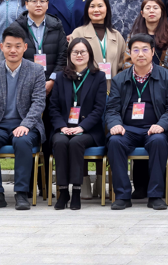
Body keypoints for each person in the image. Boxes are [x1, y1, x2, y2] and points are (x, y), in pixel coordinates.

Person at [105, 34, 168, 210]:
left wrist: (162, 125)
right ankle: (122, 196)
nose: (141, 54)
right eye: (136, 50)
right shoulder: (119, 79)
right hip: (127, 130)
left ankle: (155, 195)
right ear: (129, 53)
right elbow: (112, 109)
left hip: (155, 129)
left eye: (145, 49)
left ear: (153, 52)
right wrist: (115, 124)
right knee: (115, 141)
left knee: (159, 141)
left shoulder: (167, 77)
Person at [0, 23, 47, 210]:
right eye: (8, 46)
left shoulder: (36, 71)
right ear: (2, 47)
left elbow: (38, 103)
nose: (13, 50)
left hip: (26, 124)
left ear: (25, 47)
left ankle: (22, 193)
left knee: (22, 141)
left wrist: (25, 125)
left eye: (17, 46)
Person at [46, 38, 107, 210]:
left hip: (88, 130)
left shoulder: (99, 77)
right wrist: (62, 127)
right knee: (59, 142)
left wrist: (82, 127)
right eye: (75, 52)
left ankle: (76, 192)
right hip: (64, 127)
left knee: (76, 142)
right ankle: (63, 190)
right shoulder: (60, 77)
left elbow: (99, 109)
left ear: (89, 54)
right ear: (69, 55)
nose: (79, 55)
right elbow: (53, 107)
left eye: (83, 52)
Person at [13, 0, 67, 84]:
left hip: (52, 83)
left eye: (42, 1)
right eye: (34, 1)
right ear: (26, 4)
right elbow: (13, 56)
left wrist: (52, 80)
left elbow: (62, 56)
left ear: (47, 4)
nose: (38, 5)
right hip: (24, 82)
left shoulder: (56, 26)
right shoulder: (16, 27)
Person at [69, 0, 129, 78]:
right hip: (86, 84)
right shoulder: (78, 33)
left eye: (100, 6)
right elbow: (71, 64)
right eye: (92, 6)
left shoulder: (117, 36)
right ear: (87, 10)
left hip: (112, 84)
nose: (96, 10)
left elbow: (123, 65)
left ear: (107, 9)